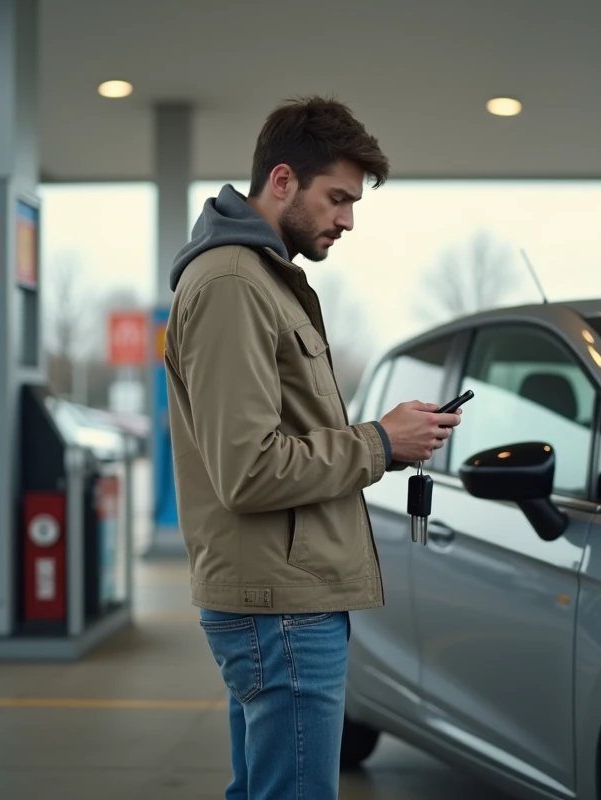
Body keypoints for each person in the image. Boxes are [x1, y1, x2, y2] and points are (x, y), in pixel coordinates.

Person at [163, 96, 463, 799]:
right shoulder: (235, 284)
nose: (348, 220)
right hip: (281, 607)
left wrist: (385, 439)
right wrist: (381, 442)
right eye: (338, 198)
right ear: (283, 180)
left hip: (281, 597)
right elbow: (248, 469)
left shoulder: (260, 280)